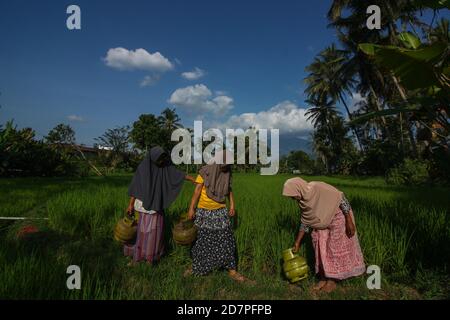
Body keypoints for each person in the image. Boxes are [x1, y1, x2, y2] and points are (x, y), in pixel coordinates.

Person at [282, 177, 365, 293]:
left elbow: (340, 198)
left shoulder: (317, 187)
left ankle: (333, 280)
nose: (292, 198)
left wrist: (349, 220)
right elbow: (306, 221)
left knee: (334, 248)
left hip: (338, 216)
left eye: (292, 195)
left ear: (298, 189)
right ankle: (323, 277)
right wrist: (297, 242)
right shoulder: (302, 202)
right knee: (319, 246)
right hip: (321, 222)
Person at [185, 150, 253, 283]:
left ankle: (231, 270)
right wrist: (191, 208)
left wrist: (232, 205)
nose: (226, 167)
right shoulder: (205, 171)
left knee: (226, 240)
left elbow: (229, 189)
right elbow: (197, 191)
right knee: (202, 241)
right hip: (204, 211)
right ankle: (198, 267)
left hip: (220, 210)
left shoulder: (227, 172)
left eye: (228, 165)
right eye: (224, 164)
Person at [124, 146, 195, 265]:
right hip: (143, 205)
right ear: (152, 158)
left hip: (157, 205)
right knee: (143, 232)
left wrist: (193, 179)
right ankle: (140, 255)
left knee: (154, 233)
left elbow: (177, 174)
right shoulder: (143, 168)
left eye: (163, 159)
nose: (161, 161)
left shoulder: (165, 167)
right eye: (159, 159)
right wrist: (130, 204)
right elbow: (136, 187)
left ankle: (151, 257)